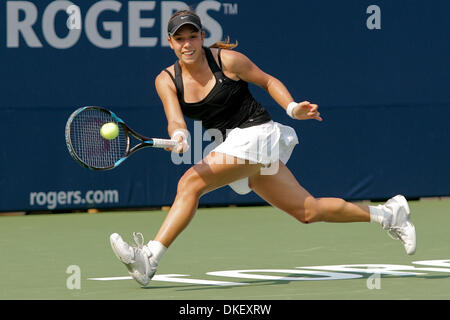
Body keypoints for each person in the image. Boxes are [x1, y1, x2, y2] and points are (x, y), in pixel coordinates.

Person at [109, 10, 416, 286]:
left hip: (258, 133)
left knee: (190, 183)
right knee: (307, 210)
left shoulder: (227, 60)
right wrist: (178, 136)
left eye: (193, 36)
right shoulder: (165, 80)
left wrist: (293, 108)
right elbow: (175, 120)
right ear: (170, 42)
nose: (187, 44)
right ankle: (389, 215)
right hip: (234, 142)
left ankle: (149, 258)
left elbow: (268, 82)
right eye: (180, 39)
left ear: (202, 37)